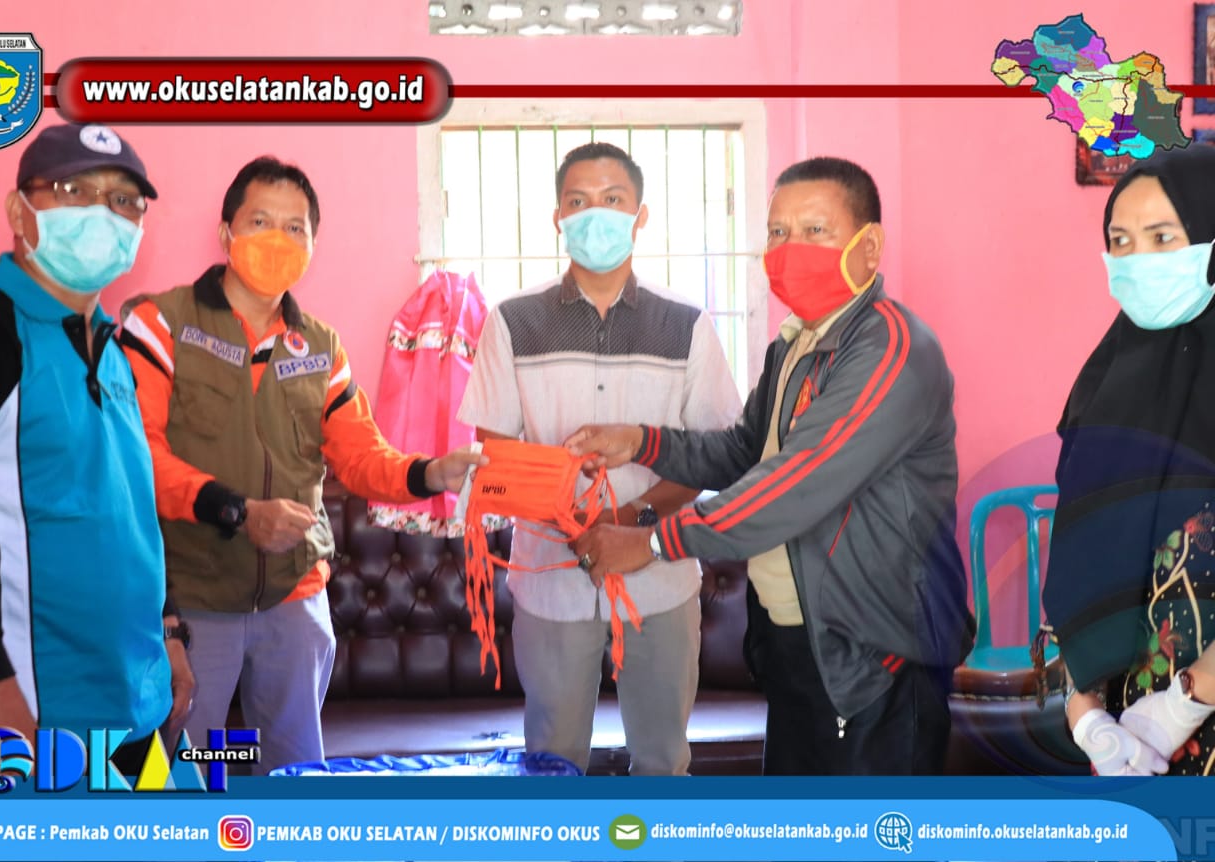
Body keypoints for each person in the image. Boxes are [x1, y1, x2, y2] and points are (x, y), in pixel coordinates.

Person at [566, 156, 976, 776]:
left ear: (869, 248)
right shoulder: (794, 345)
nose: (790, 249)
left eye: (815, 230)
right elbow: (743, 451)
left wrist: (650, 541)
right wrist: (642, 442)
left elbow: (794, 484)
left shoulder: (890, 349)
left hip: (874, 658)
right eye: (778, 232)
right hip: (796, 645)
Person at [120, 156, 482, 774]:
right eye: (260, 221)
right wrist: (238, 512)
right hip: (193, 600)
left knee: (294, 776)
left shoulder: (320, 345)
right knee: (184, 773)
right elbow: (137, 458)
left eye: (296, 228)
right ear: (226, 233)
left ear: (313, 244)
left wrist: (430, 472)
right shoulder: (161, 324)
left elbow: (362, 457)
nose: (277, 240)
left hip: (295, 599)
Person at [457, 142, 743, 775]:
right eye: (579, 202)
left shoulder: (687, 324)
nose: (596, 215)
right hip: (550, 579)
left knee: (663, 761)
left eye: (613, 200)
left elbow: (713, 453)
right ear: (557, 218)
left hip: (661, 575)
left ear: (640, 216)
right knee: (553, 763)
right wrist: (568, 511)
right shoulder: (512, 322)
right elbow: (497, 455)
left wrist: (630, 522)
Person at [0, 123, 193, 775]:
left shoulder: (117, 349)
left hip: (140, 706)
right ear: (19, 210)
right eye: (75, 191)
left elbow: (133, 510)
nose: (103, 213)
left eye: (124, 200)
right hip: (24, 715)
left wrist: (169, 631)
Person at [1045, 145, 1215, 777]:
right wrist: (1085, 716)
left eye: (1164, 237)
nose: (1138, 259)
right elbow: (1073, 565)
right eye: (1121, 240)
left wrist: (1182, 704)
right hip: (1121, 744)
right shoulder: (1103, 388)